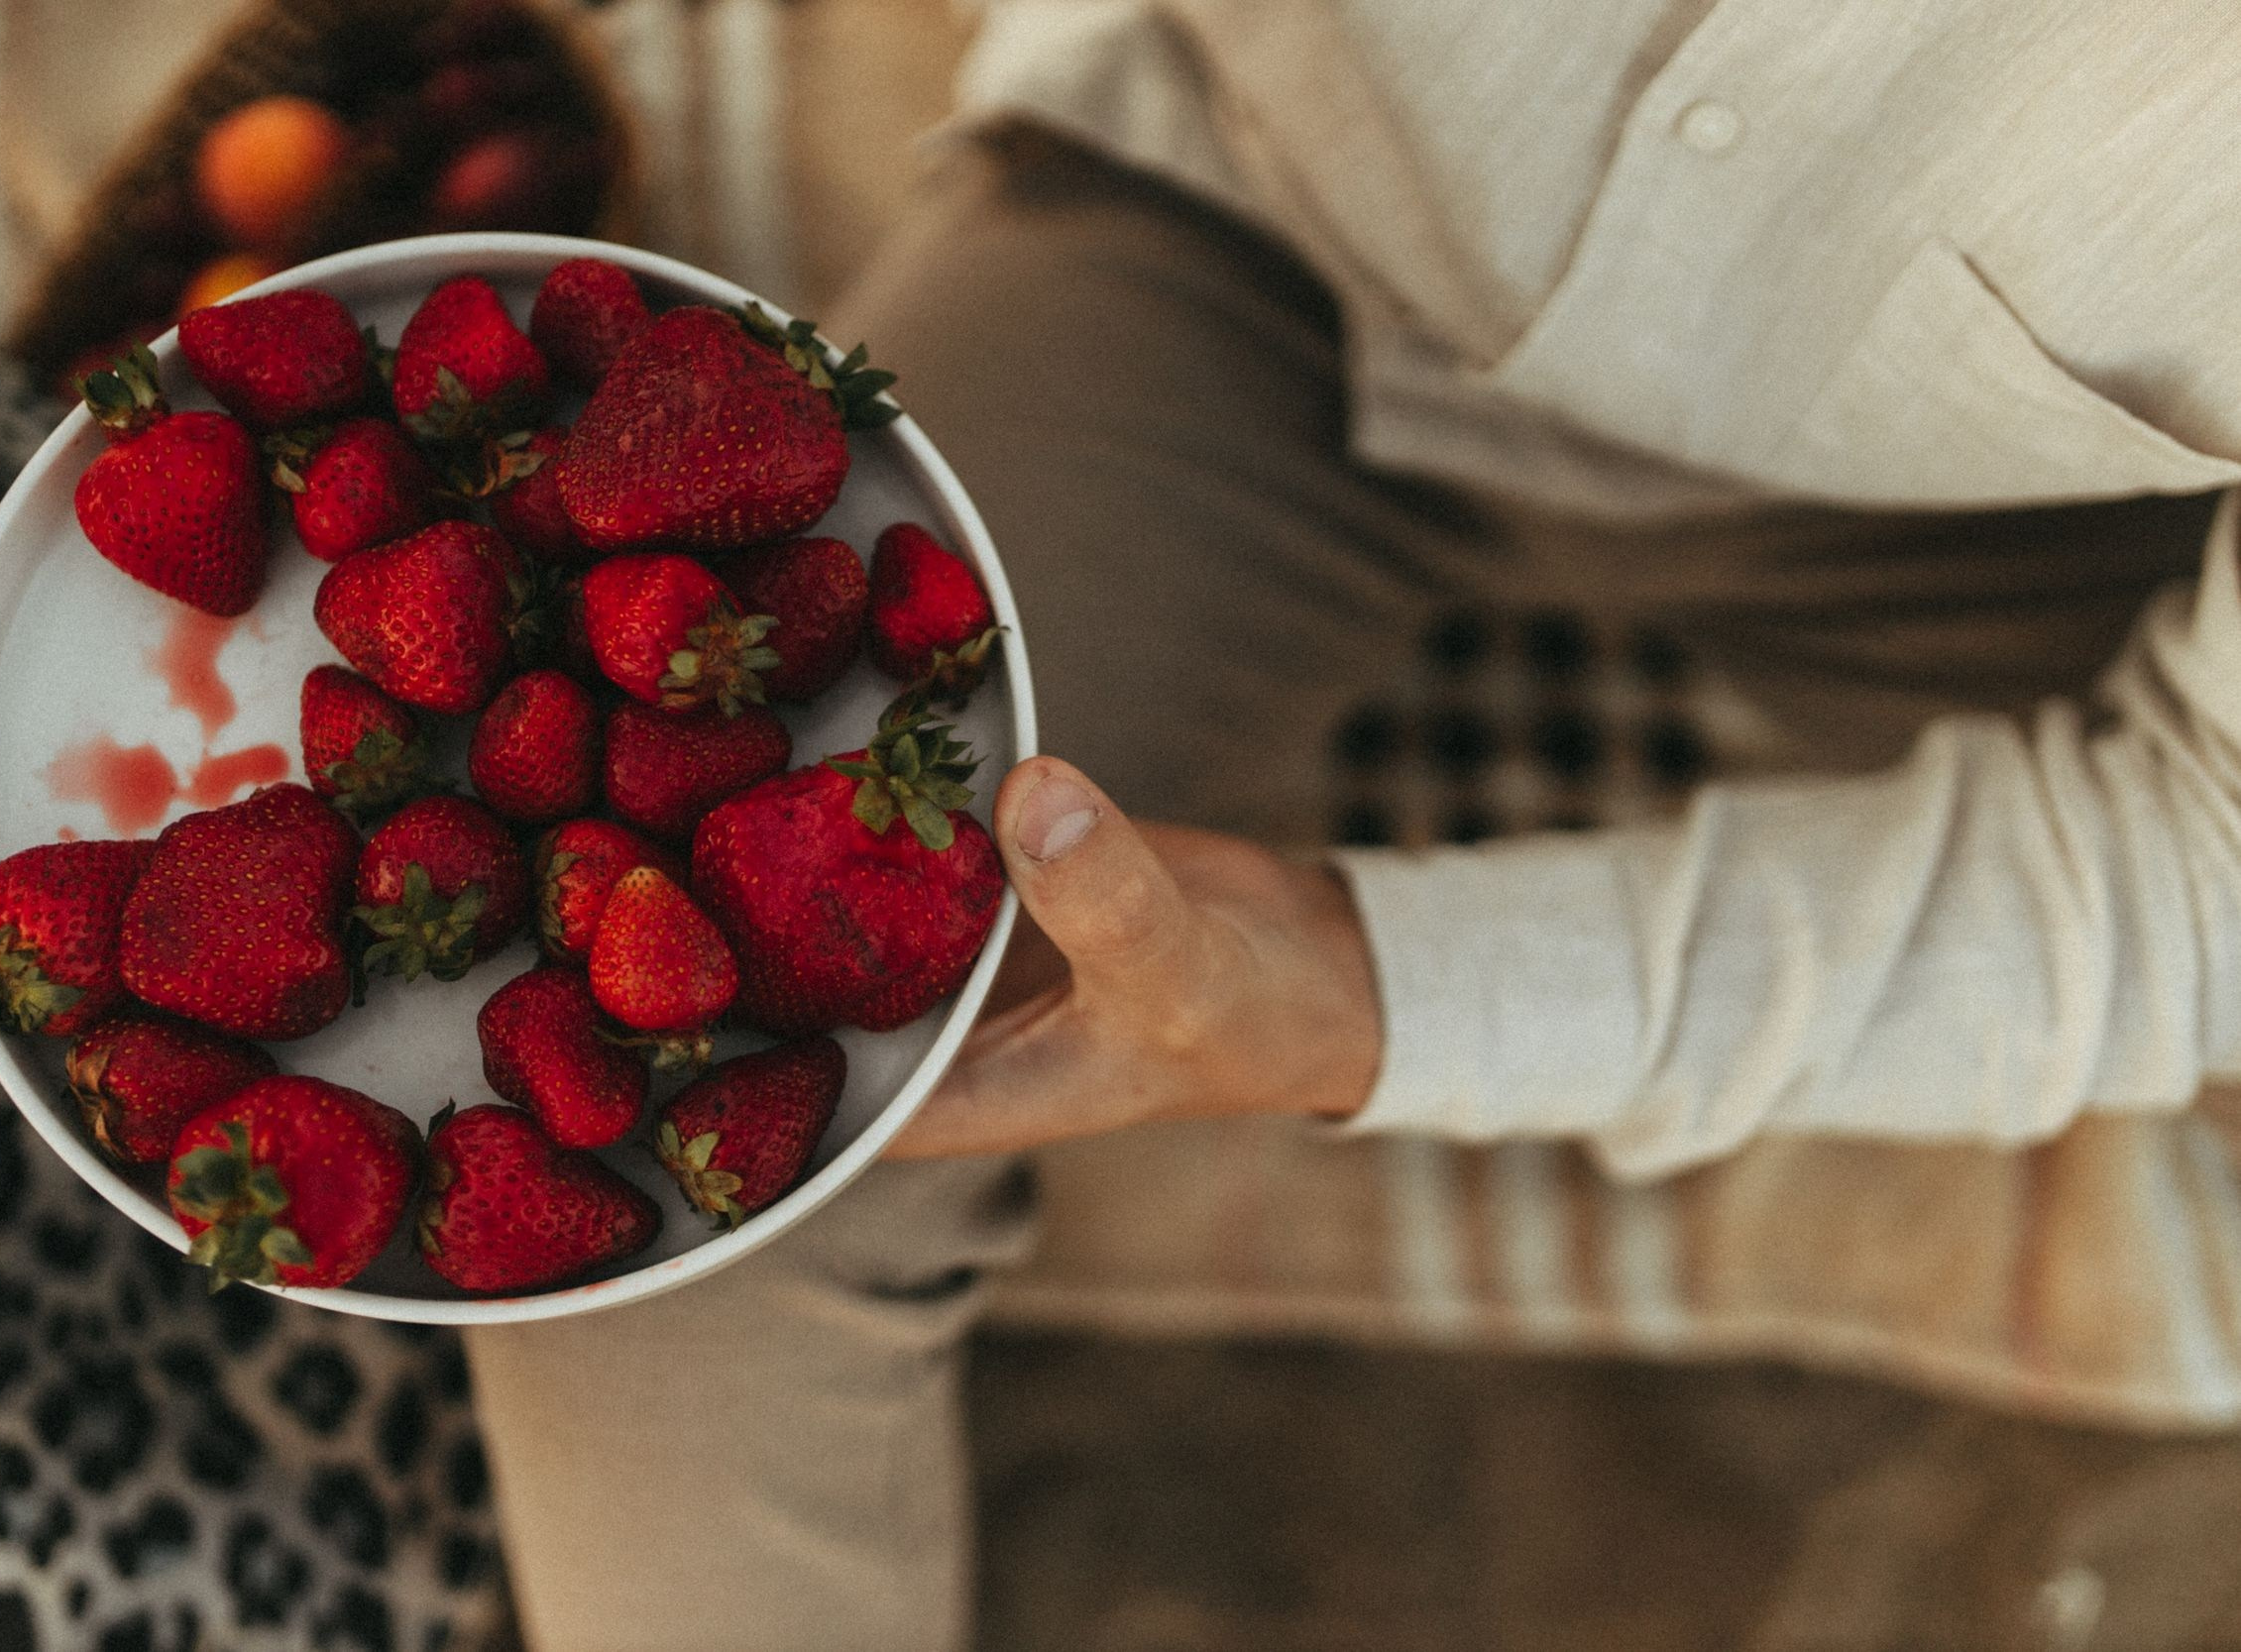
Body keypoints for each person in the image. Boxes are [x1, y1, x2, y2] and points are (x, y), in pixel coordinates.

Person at [466, 2, 2241, 1646]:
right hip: (1245, 221)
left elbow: (2212, 860)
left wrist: (1373, 992)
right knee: (664, 1140)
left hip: (2015, 510)